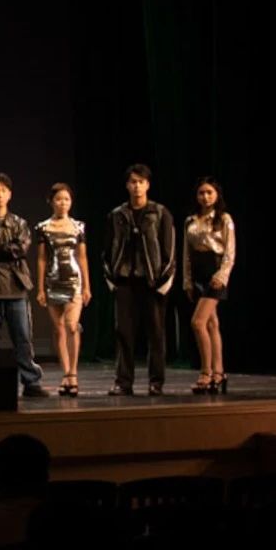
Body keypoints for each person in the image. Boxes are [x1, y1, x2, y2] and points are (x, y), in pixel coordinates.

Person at [0, 173, 48, 397]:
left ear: (10, 195)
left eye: (3, 190)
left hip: (16, 287)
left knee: (23, 338)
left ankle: (30, 381)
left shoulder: (19, 223)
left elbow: (19, 250)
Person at [103, 164, 175, 396]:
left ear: (148, 185)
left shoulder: (160, 213)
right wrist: (110, 278)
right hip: (125, 281)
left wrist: (164, 279)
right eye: (133, 182)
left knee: (156, 333)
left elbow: (169, 249)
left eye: (141, 182)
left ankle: (156, 382)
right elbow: (107, 249)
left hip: (152, 281)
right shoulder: (117, 215)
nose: (137, 186)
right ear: (127, 185)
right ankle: (123, 382)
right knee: (123, 333)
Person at [35, 183, 91, 396]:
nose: (63, 203)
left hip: (74, 281)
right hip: (53, 281)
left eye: (66, 199)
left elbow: (82, 256)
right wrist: (40, 288)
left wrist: (87, 286)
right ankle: (65, 373)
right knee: (58, 328)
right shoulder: (43, 227)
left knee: (72, 325)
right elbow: (42, 259)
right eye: (58, 199)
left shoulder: (78, 226)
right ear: (51, 201)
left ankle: (73, 373)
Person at [183, 177, 235, 394]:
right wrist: (187, 280)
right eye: (201, 193)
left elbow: (230, 251)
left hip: (215, 270)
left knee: (198, 322)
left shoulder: (224, 219)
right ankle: (219, 373)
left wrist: (222, 275)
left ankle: (206, 372)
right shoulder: (191, 220)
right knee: (212, 324)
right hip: (198, 271)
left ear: (217, 195)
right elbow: (186, 253)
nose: (205, 197)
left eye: (209, 192)